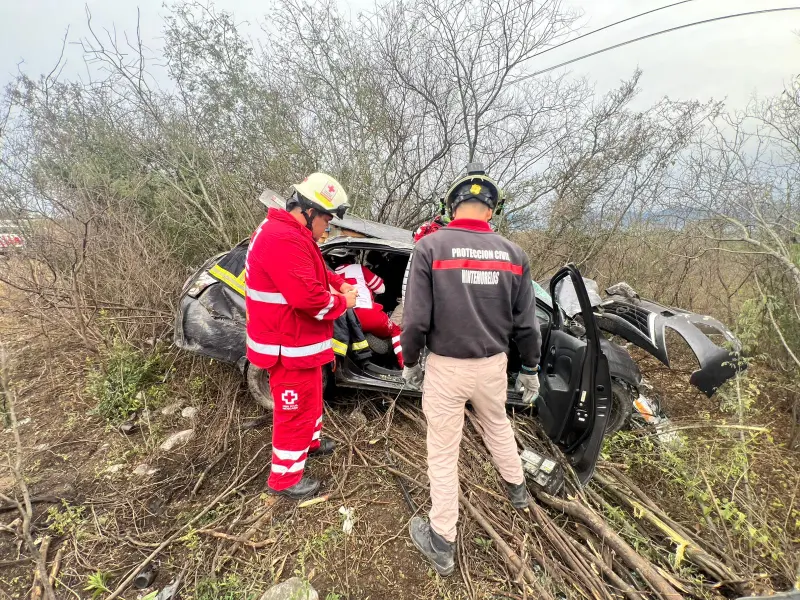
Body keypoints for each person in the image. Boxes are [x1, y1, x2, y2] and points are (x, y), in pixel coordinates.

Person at [400, 163, 542, 575]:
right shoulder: (515, 254)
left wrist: (410, 362)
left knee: (443, 452)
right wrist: (530, 367)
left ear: (452, 206)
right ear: (491, 211)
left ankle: (442, 539)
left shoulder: (431, 248)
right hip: (493, 366)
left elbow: (414, 322)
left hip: (446, 368)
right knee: (497, 424)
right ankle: (517, 489)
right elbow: (527, 324)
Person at [245, 173, 358, 500]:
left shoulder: (292, 234)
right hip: (287, 345)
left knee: (310, 401)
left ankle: (311, 443)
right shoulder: (283, 238)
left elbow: (316, 271)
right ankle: (284, 480)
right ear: (309, 211)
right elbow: (308, 299)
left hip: (299, 343)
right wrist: (343, 302)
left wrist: (338, 283)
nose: (328, 228)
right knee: (293, 412)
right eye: (327, 219)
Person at [334, 253, 404, 368]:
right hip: (369, 315)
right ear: (352, 259)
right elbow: (381, 289)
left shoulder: (331, 273)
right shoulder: (359, 268)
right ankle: (403, 365)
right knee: (395, 330)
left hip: (345, 318)